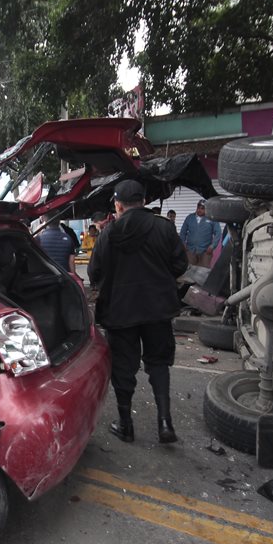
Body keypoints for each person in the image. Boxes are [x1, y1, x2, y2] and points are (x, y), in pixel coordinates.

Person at [89, 179, 188, 444]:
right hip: (158, 309)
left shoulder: (108, 233)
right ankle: (165, 423)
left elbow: (94, 273)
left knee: (123, 369)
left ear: (118, 205)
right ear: (143, 201)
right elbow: (180, 264)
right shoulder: (164, 228)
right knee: (158, 363)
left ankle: (126, 425)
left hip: (120, 313)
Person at [179, 199, 219, 267]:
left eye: (202, 208)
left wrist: (212, 246)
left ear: (206, 209)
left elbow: (218, 233)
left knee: (203, 273)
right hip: (190, 250)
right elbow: (183, 232)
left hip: (205, 252)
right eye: (198, 207)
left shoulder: (211, 218)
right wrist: (183, 243)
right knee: (188, 271)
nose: (199, 210)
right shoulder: (190, 218)